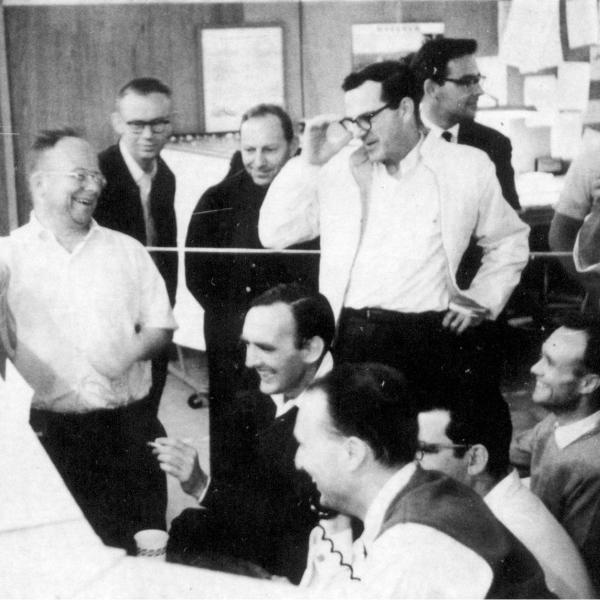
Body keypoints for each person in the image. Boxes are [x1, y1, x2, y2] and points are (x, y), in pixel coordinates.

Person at [259, 60, 529, 402]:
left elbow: (509, 239)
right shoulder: (337, 169)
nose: (358, 132)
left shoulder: (466, 166)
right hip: (351, 337)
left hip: (429, 338)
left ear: (404, 108)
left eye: (366, 119)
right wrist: (309, 163)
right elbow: (274, 233)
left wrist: (481, 299)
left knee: (423, 445)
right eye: (352, 122)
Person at [0, 129, 177, 554]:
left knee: (144, 550)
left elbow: (161, 326)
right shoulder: (8, 255)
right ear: (40, 182)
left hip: (129, 431)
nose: (94, 186)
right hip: (48, 437)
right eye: (79, 176)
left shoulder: (126, 249)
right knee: (62, 558)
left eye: (97, 177)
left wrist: (131, 351)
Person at [296, 363, 551, 598]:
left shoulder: (412, 542)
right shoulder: (426, 492)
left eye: (305, 445)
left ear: (352, 453)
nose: (298, 461)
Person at [153, 283, 334, 583]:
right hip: (262, 534)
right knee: (188, 529)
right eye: (247, 345)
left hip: (306, 559)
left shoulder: (343, 412)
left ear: (311, 348)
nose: (249, 361)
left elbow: (296, 525)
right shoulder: (261, 393)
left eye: (265, 348)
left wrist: (203, 486)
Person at [185, 104, 319, 477]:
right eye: (249, 150)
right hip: (234, 345)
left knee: (291, 446)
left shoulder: (313, 195)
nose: (258, 161)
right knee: (235, 445)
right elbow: (198, 278)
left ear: (294, 145)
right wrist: (246, 331)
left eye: (269, 150)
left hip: (295, 350)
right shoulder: (216, 200)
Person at [417, 396, 595, 598]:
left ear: (475, 459)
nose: (413, 462)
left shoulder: (500, 529)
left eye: (424, 450)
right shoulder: (502, 504)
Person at [95, 77, 177, 413]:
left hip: (153, 316)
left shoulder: (166, 175)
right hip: (111, 322)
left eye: (159, 124)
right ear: (117, 122)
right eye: (137, 124)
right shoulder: (96, 174)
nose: (148, 135)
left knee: (147, 410)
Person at [511, 313, 600, 591]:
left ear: (587, 384)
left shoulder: (591, 468)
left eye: (549, 363)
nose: (535, 369)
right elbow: (515, 451)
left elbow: (575, 572)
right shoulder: (558, 422)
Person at [410, 38, 519, 210]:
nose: (479, 91)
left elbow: (509, 223)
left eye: (477, 80)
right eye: (467, 82)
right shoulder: (404, 141)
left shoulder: (495, 144)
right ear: (432, 89)